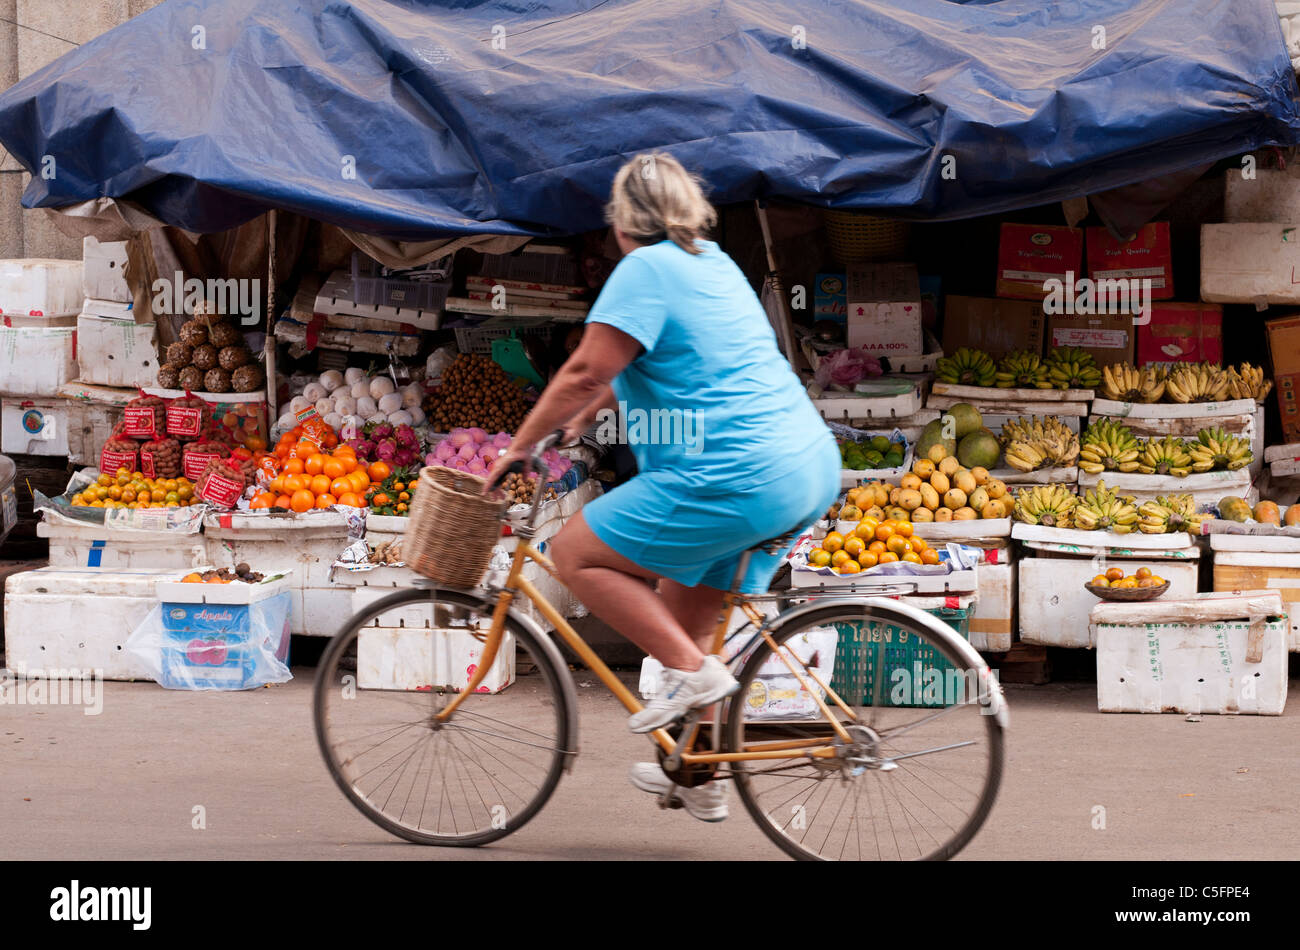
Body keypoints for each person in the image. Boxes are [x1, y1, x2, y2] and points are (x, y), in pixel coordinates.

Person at [486, 152, 838, 822]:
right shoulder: (712, 262)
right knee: (682, 623)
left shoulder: (642, 269)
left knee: (573, 554)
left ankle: (699, 680)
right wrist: (587, 416)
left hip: (731, 474)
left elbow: (586, 368)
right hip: (803, 467)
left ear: (623, 222)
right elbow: (642, 361)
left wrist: (521, 445)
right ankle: (698, 771)